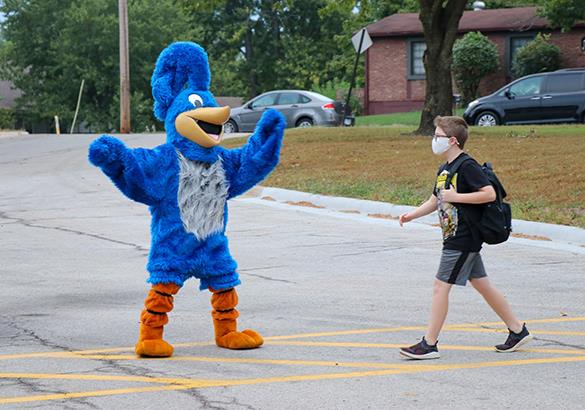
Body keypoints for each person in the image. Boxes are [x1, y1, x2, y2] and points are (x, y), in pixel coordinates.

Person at [398, 116, 531, 360]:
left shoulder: (467, 166)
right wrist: (412, 215)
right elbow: (435, 199)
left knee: (440, 287)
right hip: (454, 235)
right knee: (483, 285)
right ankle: (518, 330)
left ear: (452, 140)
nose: (433, 140)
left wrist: (456, 196)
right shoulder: (445, 168)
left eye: (437, 136)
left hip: (464, 237)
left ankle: (429, 344)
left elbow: (489, 194)